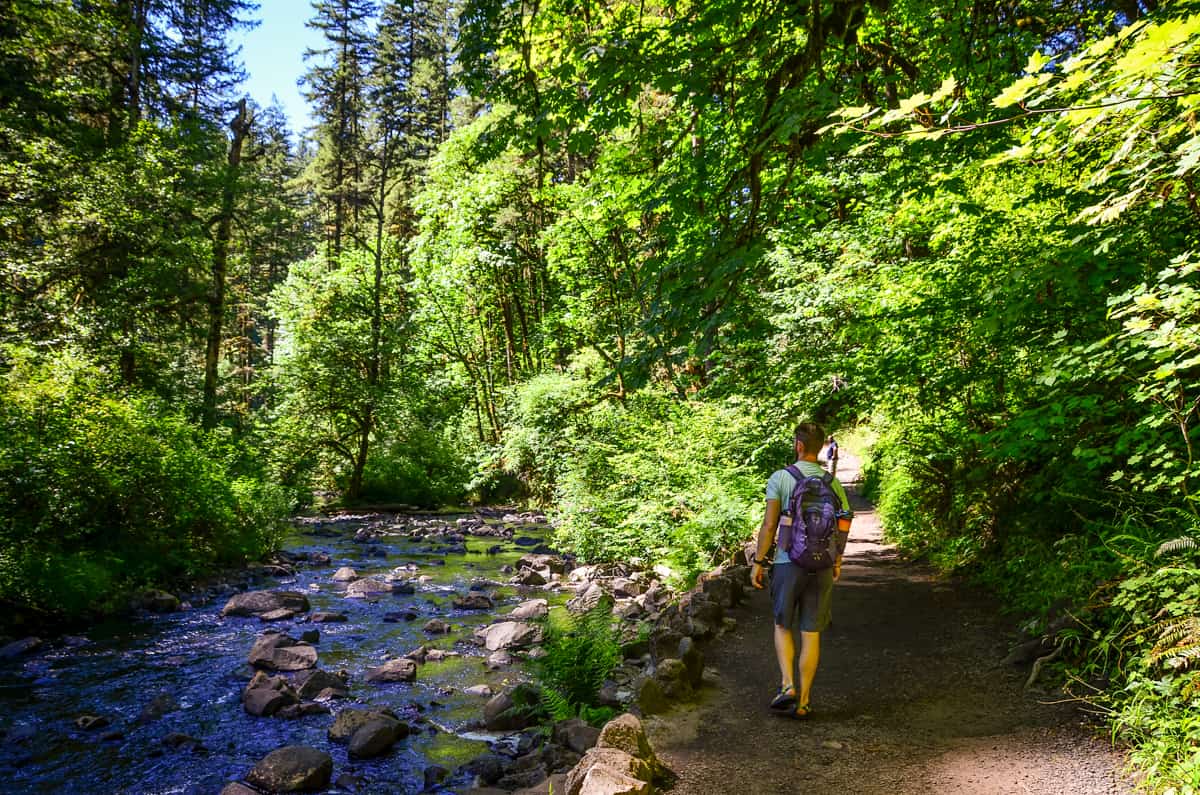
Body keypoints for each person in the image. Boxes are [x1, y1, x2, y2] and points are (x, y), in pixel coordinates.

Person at [749, 422, 852, 719]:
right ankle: (805, 701)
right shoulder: (832, 482)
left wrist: (758, 561)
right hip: (821, 565)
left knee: (783, 625)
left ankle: (787, 685)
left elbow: (770, 524)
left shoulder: (781, 478)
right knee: (811, 633)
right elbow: (844, 521)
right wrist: (837, 559)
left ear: (797, 445)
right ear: (820, 447)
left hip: (786, 563)